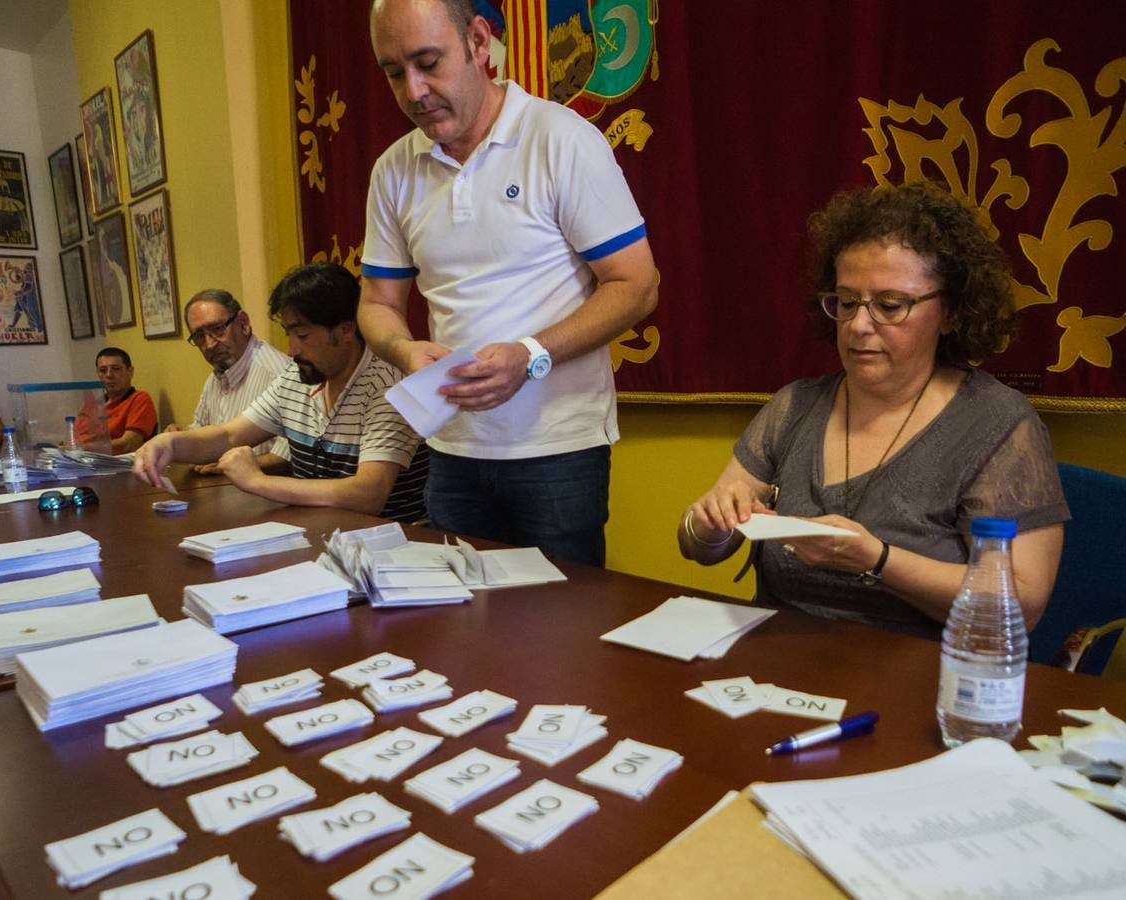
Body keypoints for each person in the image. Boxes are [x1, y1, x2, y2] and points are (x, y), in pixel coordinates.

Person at [678, 181, 1068, 639]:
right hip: (777, 663)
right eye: (846, 302)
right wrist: (707, 525)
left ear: (950, 313)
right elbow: (699, 547)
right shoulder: (795, 406)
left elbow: (1020, 606)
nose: (859, 325)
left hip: (917, 674)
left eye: (889, 305)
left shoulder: (997, 424)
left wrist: (876, 560)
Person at [358, 0, 658, 566]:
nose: (414, 91)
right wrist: (401, 349)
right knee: (462, 631)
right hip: (449, 449)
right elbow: (377, 301)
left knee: (563, 633)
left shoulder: (560, 139)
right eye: (395, 72)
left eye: (428, 62)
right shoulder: (393, 170)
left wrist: (531, 355)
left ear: (477, 41)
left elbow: (636, 285)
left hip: (558, 452)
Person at [134, 263, 428, 521]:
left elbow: (368, 495)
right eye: (289, 334)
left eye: (302, 335)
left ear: (346, 330)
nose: (292, 349)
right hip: (319, 536)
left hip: (386, 548)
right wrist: (170, 444)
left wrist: (258, 482)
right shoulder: (297, 376)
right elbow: (229, 435)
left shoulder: (389, 384)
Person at [165, 288, 291, 475]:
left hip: (268, 494)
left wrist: (229, 465)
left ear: (243, 323)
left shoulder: (278, 374)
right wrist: (179, 438)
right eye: (199, 336)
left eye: (217, 329)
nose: (209, 344)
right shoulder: (217, 375)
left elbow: (290, 456)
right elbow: (201, 431)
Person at [78, 347, 156, 453]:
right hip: (83, 463)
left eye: (116, 369)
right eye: (103, 370)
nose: (109, 375)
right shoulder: (92, 405)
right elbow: (75, 439)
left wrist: (84, 448)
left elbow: (129, 444)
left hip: (117, 465)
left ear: (130, 372)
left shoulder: (139, 399)